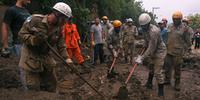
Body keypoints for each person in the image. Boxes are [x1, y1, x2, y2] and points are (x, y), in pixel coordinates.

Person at [18, 2, 73, 92]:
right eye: (64, 19)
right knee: (33, 88)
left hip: (45, 57)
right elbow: (21, 35)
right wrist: (34, 39)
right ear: (57, 15)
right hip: (30, 57)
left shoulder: (59, 28)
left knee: (52, 86)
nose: (65, 22)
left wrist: (67, 60)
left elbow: (61, 46)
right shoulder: (35, 20)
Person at [136, 13, 167, 96]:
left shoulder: (154, 31)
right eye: (142, 26)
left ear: (148, 23)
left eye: (144, 26)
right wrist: (144, 45)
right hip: (152, 49)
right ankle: (149, 83)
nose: (143, 27)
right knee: (151, 67)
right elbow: (146, 40)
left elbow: (151, 48)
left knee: (157, 72)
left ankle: (161, 90)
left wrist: (142, 58)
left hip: (159, 51)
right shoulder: (144, 29)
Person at [164, 11, 192, 91]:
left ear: (180, 19)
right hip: (169, 50)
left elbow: (188, 41)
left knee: (177, 68)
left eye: (177, 19)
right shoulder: (170, 26)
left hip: (178, 52)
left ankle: (177, 83)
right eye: (174, 19)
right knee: (167, 66)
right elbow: (167, 37)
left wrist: (185, 50)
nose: (175, 20)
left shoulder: (184, 28)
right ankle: (167, 79)